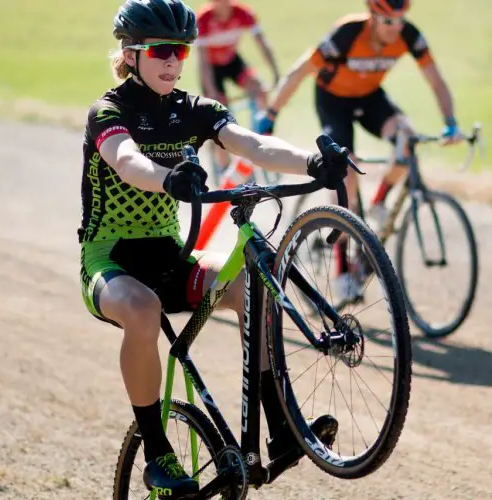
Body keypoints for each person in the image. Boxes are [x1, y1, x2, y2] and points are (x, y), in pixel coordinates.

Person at [79, 0, 344, 497]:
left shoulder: (192, 108)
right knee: (142, 308)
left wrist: (311, 162)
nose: (172, 61)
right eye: (160, 50)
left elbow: (253, 145)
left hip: (172, 259)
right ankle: (158, 452)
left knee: (250, 284)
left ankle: (281, 427)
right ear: (130, 54)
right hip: (110, 263)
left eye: (180, 50)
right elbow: (127, 161)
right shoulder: (110, 111)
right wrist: (168, 179)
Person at [256, 0, 464, 300]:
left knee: (407, 138)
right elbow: (300, 71)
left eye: (401, 20)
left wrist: (450, 121)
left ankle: (379, 202)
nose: (396, 28)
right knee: (346, 171)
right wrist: (272, 113)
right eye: (389, 22)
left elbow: (436, 80)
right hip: (333, 101)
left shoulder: (409, 36)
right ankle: (340, 267)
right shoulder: (347, 33)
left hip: (370, 99)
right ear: (373, 17)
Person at [196, 0, 280, 171]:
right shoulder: (203, 19)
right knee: (218, 112)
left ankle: (265, 138)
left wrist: (275, 72)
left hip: (232, 61)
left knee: (260, 90)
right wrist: (212, 92)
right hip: (212, 68)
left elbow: (262, 42)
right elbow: (203, 62)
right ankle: (224, 165)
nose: (222, 5)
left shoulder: (242, 12)